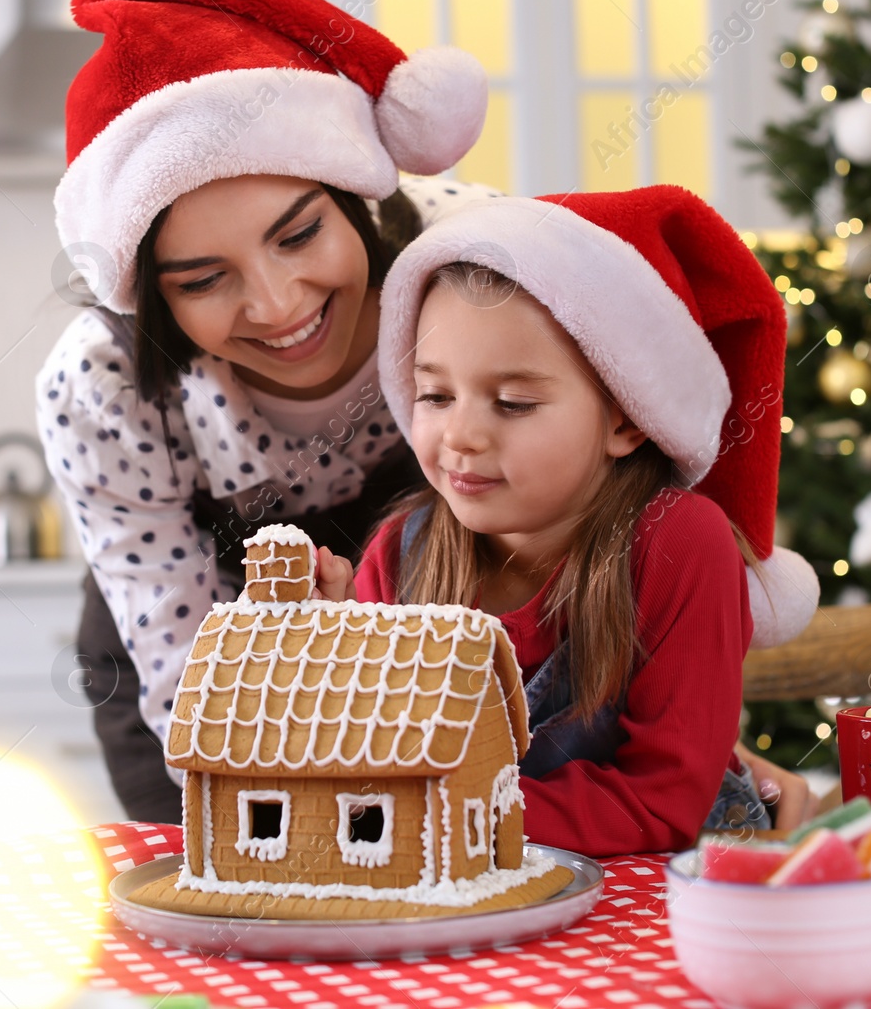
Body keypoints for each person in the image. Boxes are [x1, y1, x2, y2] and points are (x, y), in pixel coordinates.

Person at [37, 0, 496, 821]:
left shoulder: (472, 264)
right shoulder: (100, 383)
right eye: (204, 280)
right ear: (153, 295)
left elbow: (579, 534)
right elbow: (182, 672)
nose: (279, 307)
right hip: (194, 662)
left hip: (451, 622)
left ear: (351, 192)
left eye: (299, 235)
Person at [312, 188, 823, 854]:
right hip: (472, 900)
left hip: (651, 906)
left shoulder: (680, 546)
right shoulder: (399, 557)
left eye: (514, 402)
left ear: (626, 415)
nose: (460, 435)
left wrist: (448, 815)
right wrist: (325, 657)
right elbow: (364, 768)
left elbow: (662, 800)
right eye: (435, 394)